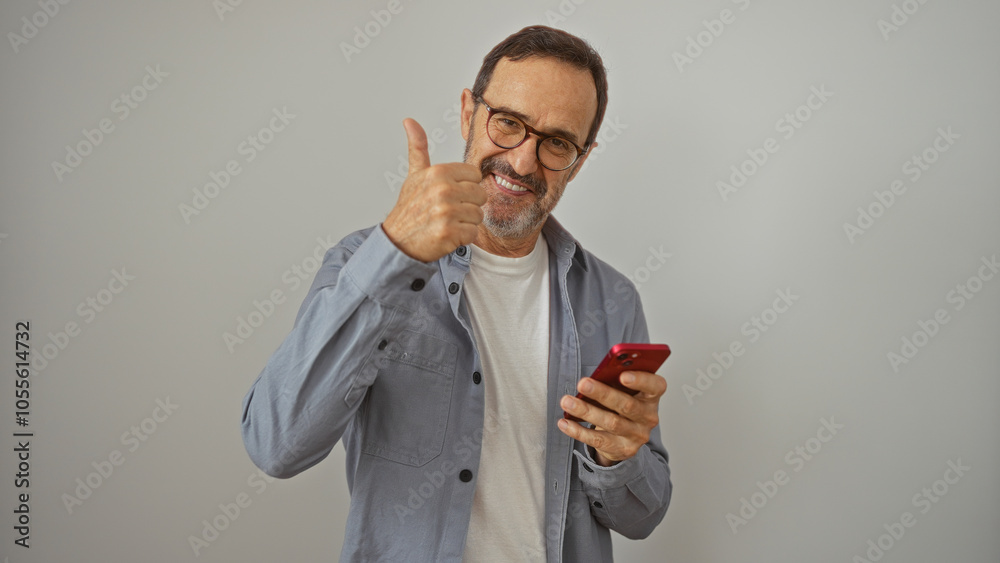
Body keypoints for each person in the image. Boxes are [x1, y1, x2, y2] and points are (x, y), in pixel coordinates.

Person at [241, 25, 672, 562]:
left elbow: (643, 515)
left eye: (557, 143)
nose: (522, 162)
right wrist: (394, 253)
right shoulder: (363, 264)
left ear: (581, 159)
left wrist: (617, 458)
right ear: (469, 113)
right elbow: (276, 444)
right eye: (508, 123)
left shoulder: (612, 298)